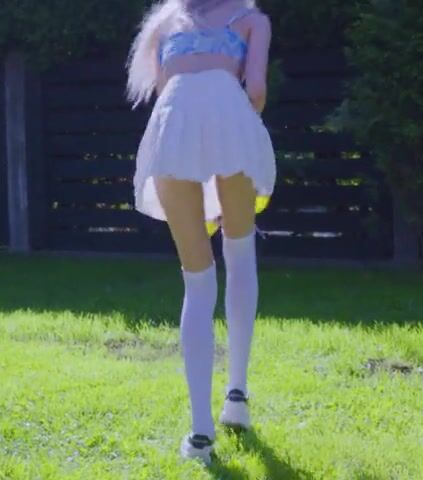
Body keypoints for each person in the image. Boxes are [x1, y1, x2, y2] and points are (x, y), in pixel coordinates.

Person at [126, 0, 275, 464]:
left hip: (171, 134)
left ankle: (200, 433)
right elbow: (255, 89)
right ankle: (237, 396)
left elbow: (169, 99)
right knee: (240, 254)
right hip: (231, 122)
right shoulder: (251, 21)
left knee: (197, 281)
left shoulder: (164, 25)